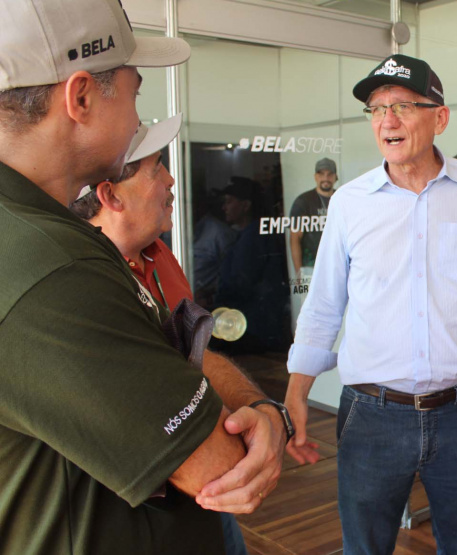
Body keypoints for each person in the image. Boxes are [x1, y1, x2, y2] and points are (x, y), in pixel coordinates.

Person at [0, 2, 283, 552]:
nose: (136, 120)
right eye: (135, 92)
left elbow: (171, 354)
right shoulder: (52, 267)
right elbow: (221, 468)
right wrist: (258, 422)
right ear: (81, 98)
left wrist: (259, 404)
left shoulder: (41, 235)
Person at [284, 54, 457, 554]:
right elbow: (322, 307)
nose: (387, 120)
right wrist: (297, 392)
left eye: (404, 106)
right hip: (372, 415)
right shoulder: (350, 203)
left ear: (440, 117)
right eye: (377, 108)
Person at [70, 115, 299, 555]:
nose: (171, 180)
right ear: (110, 195)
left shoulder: (158, 255)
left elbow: (195, 356)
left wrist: (260, 406)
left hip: (199, 504)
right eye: (156, 168)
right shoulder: (80, 284)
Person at [217, 176, 291, 353]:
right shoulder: (248, 234)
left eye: (229, 201)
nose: (224, 207)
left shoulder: (253, 236)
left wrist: (217, 295)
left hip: (253, 328)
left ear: (246, 205)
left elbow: (241, 282)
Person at [289, 157, 338, 276]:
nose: (325, 178)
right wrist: (299, 273)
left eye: (329, 174)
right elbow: (295, 239)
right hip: (311, 267)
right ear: (315, 177)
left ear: (335, 177)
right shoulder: (303, 201)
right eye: (321, 174)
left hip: (338, 265)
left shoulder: (341, 198)